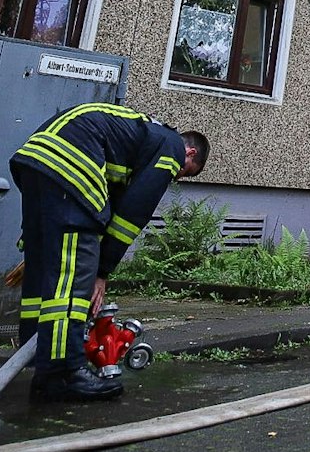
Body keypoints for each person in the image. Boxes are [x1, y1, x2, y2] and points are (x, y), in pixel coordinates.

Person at [12, 102, 209, 401]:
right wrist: (101, 272)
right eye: (182, 173)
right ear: (190, 153)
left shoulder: (140, 135)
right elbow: (132, 214)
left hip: (36, 159)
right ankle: (65, 372)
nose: (175, 177)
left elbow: (114, 202)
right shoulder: (171, 147)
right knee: (74, 273)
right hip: (72, 165)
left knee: (43, 271)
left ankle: (39, 358)